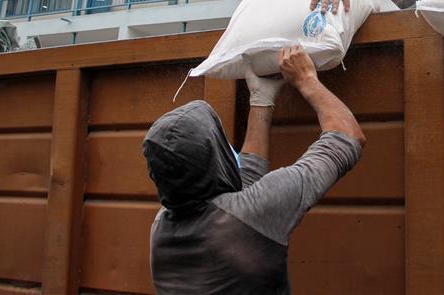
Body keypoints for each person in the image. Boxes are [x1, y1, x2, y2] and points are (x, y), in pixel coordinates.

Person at [143, 45, 365, 294]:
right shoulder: (253, 213)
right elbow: (346, 138)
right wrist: (307, 80)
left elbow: (242, 185)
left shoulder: (162, 224)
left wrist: (261, 101)